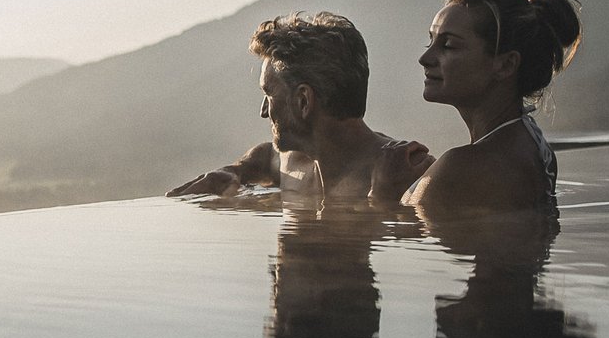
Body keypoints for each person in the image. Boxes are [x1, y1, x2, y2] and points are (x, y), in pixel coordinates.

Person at [166, 12, 431, 203]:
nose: (263, 111)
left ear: (303, 101)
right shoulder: (295, 161)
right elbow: (265, 155)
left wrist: (381, 202)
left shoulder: (405, 171)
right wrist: (236, 170)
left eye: (269, 95)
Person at [400, 0, 582, 215]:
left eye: (448, 45)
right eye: (431, 41)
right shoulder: (534, 146)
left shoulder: (462, 167)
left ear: (506, 65)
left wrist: (382, 190)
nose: (425, 58)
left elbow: (404, 232)